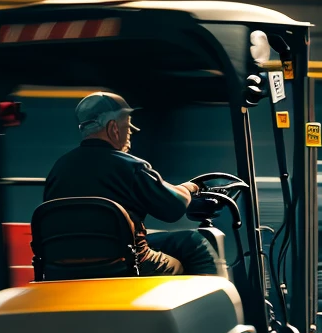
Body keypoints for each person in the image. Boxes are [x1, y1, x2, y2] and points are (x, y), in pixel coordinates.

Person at [44, 91, 219, 276]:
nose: (132, 132)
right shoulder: (130, 166)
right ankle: (216, 304)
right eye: (128, 124)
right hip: (125, 262)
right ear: (113, 128)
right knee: (194, 243)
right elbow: (172, 208)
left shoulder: (58, 169)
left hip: (64, 267)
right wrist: (189, 188)